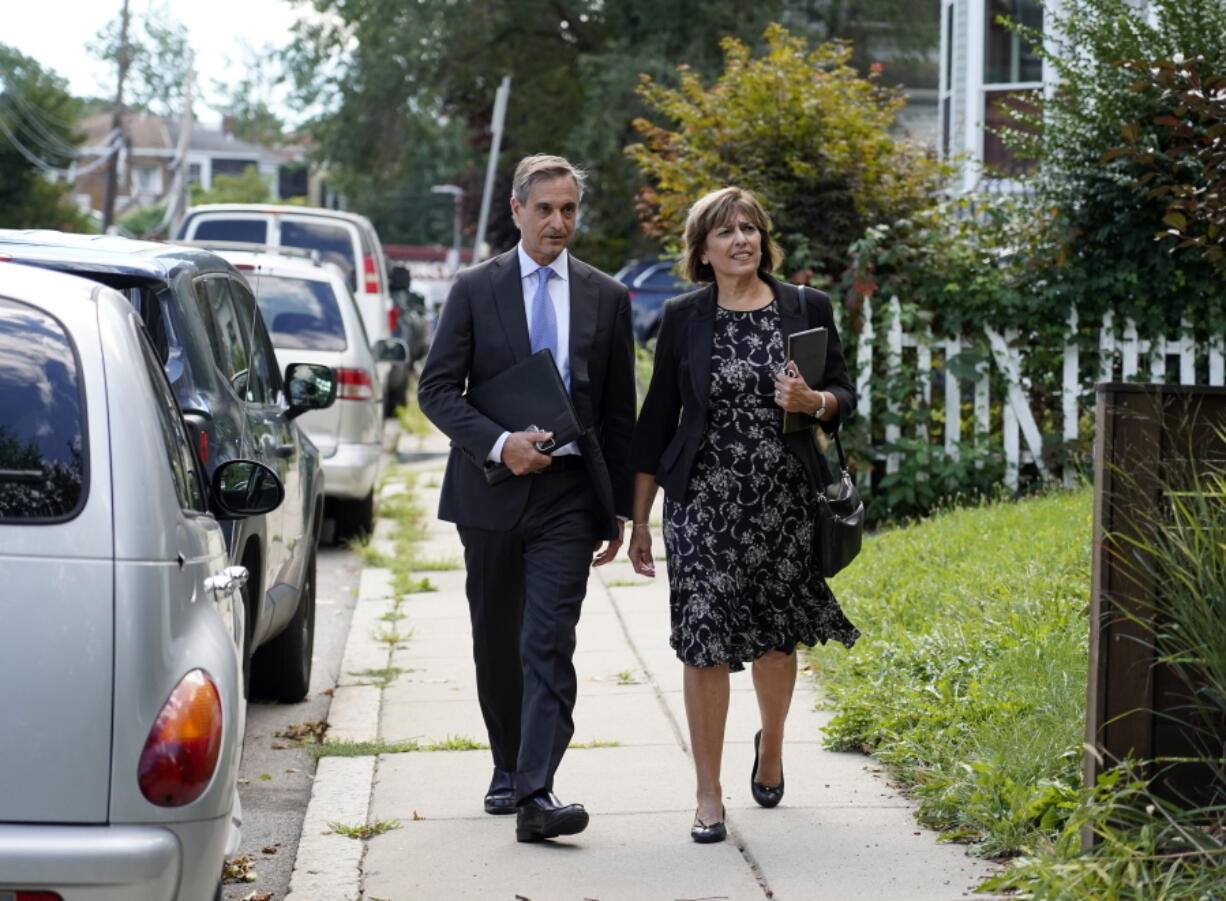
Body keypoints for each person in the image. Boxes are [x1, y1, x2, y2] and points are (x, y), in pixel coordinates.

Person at [627, 186, 860, 843]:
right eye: (726, 231)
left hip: (784, 500)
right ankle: (707, 794)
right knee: (703, 638)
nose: (742, 240)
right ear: (703, 249)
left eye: (750, 228)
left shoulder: (804, 307)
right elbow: (655, 422)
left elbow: (845, 393)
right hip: (702, 503)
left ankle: (774, 744)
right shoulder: (684, 316)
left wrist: (815, 400)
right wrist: (638, 519)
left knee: (774, 638)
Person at [417, 154, 636, 843]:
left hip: (569, 494)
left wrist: (625, 510)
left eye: (569, 209)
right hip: (490, 491)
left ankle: (538, 791)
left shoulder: (607, 296)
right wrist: (499, 443)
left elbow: (618, 411)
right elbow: (436, 389)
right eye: (544, 208)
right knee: (497, 638)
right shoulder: (475, 289)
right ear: (516, 210)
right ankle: (507, 764)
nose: (558, 222)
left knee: (548, 640)